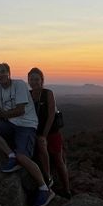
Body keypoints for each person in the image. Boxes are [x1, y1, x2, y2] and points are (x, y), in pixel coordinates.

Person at [0, 62, 54, 206]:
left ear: (9, 73)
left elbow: (20, 110)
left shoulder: (19, 85)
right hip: (10, 124)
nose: (0, 75)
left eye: (2, 72)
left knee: (23, 156)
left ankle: (44, 188)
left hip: (26, 125)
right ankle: (11, 156)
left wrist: (0, 114)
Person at [28, 67, 71, 198]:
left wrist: (44, 135)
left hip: (51, 132)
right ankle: (47, 181)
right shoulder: (28, 95)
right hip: (36, 132)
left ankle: (67, 190)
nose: (34, 82)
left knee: (58, 160)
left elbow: (51, 115)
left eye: (37, 79)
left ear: (42, 80)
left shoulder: (48, 93)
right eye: (31, 79)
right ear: (28, 81)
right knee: (39, 157)